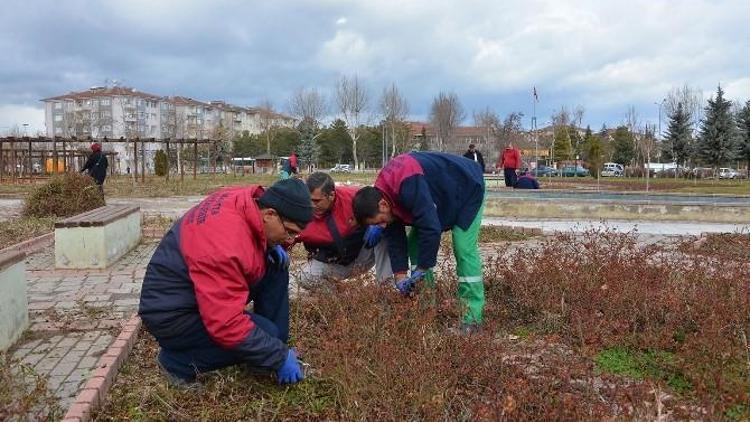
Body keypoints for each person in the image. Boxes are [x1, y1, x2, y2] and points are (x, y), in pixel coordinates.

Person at [138, 178, 313, 387]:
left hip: (191, 291)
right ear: (270, 214)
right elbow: (226, 325)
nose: (291, 240)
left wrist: (269, 245)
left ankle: (269, 352)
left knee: (275, 266)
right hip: (171, 314)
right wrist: (277, 356)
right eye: (289, 232)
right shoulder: (226, 246)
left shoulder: (249, 200)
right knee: (261, 334)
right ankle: (177, 363)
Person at [352, 152, 485, 334]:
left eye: (378, 221)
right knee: (415, 244)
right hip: (441, 196)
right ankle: (425, 310)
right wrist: (400, 275)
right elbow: (395, 235)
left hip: (468, 187)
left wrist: (422, 268)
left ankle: (472, 318)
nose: (381, 225)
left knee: (463, 247)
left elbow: (431, 228)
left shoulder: (407, 183)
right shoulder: (382, 196)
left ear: (383, 205)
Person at [296, 172, 392, 289]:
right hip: (334, 265)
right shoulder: (300, 214)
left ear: (331, 195)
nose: (311, 205)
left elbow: (385, 207)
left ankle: (386, 288)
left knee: (385, 232)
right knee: (304, 277)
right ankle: (337, 295)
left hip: (362, 255)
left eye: (316, 201)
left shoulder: (353, 197)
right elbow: (281, 239)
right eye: (308, 200)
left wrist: (379, 224)